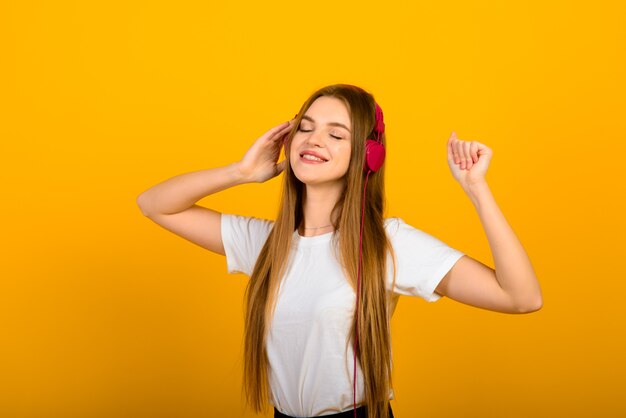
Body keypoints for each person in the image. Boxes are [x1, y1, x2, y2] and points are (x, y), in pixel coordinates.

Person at [136, 84, 543, 418]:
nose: (313, 140)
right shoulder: (266, 243)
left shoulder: (388, 243)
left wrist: (477, 189)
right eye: (305, 128)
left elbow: (521, 297)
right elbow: (154, 204)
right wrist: (241, 173)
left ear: (368, 155)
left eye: (336, 134)